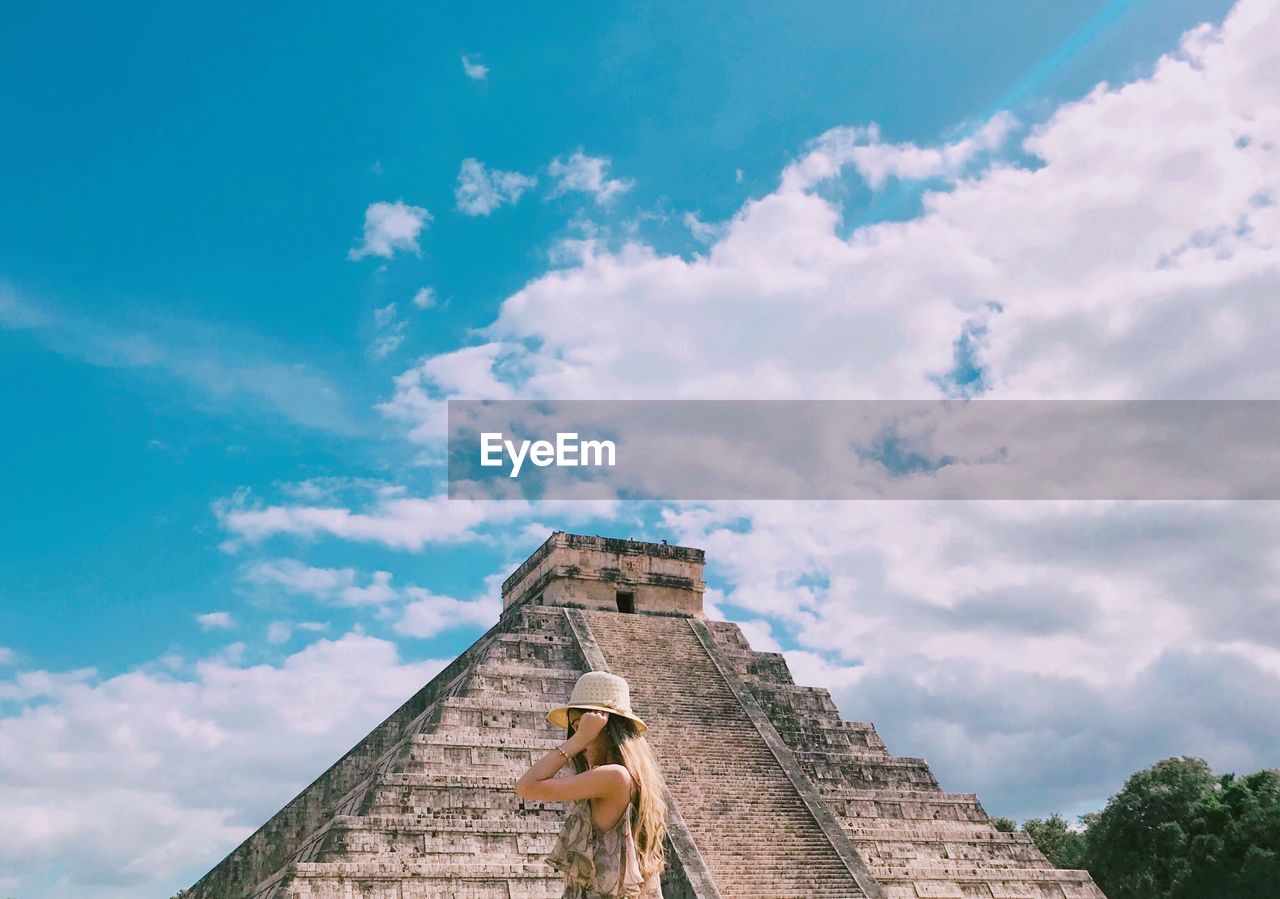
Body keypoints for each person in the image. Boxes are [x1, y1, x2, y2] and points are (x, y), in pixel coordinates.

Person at [515, 670, 668, 898]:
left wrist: (578, 740)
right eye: (575, 728)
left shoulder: (614, 777)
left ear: (606, 727)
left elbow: (527, 786)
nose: (577, 735)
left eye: (582, 726)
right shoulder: (627, 778)